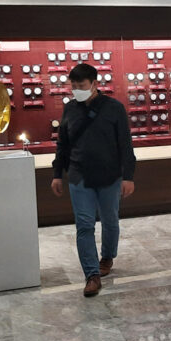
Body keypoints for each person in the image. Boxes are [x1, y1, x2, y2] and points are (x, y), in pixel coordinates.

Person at [51, 63, 137, 297]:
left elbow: (125, 144)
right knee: (84, 225)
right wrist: (57, 174)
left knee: (110, 220)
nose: (76, 90)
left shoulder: (114, 108)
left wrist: (128, 177)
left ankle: (107, 257)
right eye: (73, 86)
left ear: (95, 84)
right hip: (79, 176)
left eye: (81, 86)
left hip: (109, 176)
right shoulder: (70, 109)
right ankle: (91, 275)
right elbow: (62, 144)